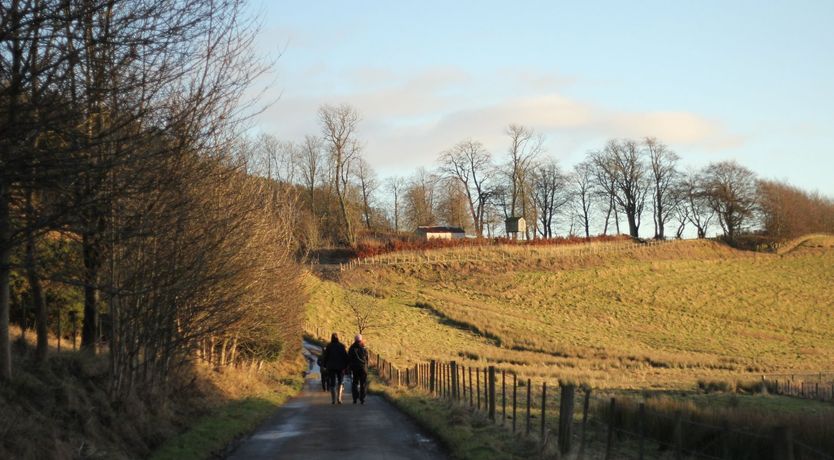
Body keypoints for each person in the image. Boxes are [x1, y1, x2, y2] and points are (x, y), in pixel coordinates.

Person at [321, 332, 348, 404]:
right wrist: (346, 366)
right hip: (340, 367)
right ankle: (339, 398)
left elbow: (325, 357)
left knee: (332, 383)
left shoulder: (329, 346)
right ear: (338, 338)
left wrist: (324, 366)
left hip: (331, 367)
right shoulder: (342, 346)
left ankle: (333, 399)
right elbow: (345, 357)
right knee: (340, 382)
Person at [347, 334, 369, 404]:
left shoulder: (351, 348)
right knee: (363, 383)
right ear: (361, 340)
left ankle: (355, 398)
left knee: (355, 382)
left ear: (355, 340)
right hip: (363, 368)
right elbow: (367, 359)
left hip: (355, 368)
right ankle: (362, 398)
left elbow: (349, 358)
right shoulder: (364, 348)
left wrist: (349, 367)